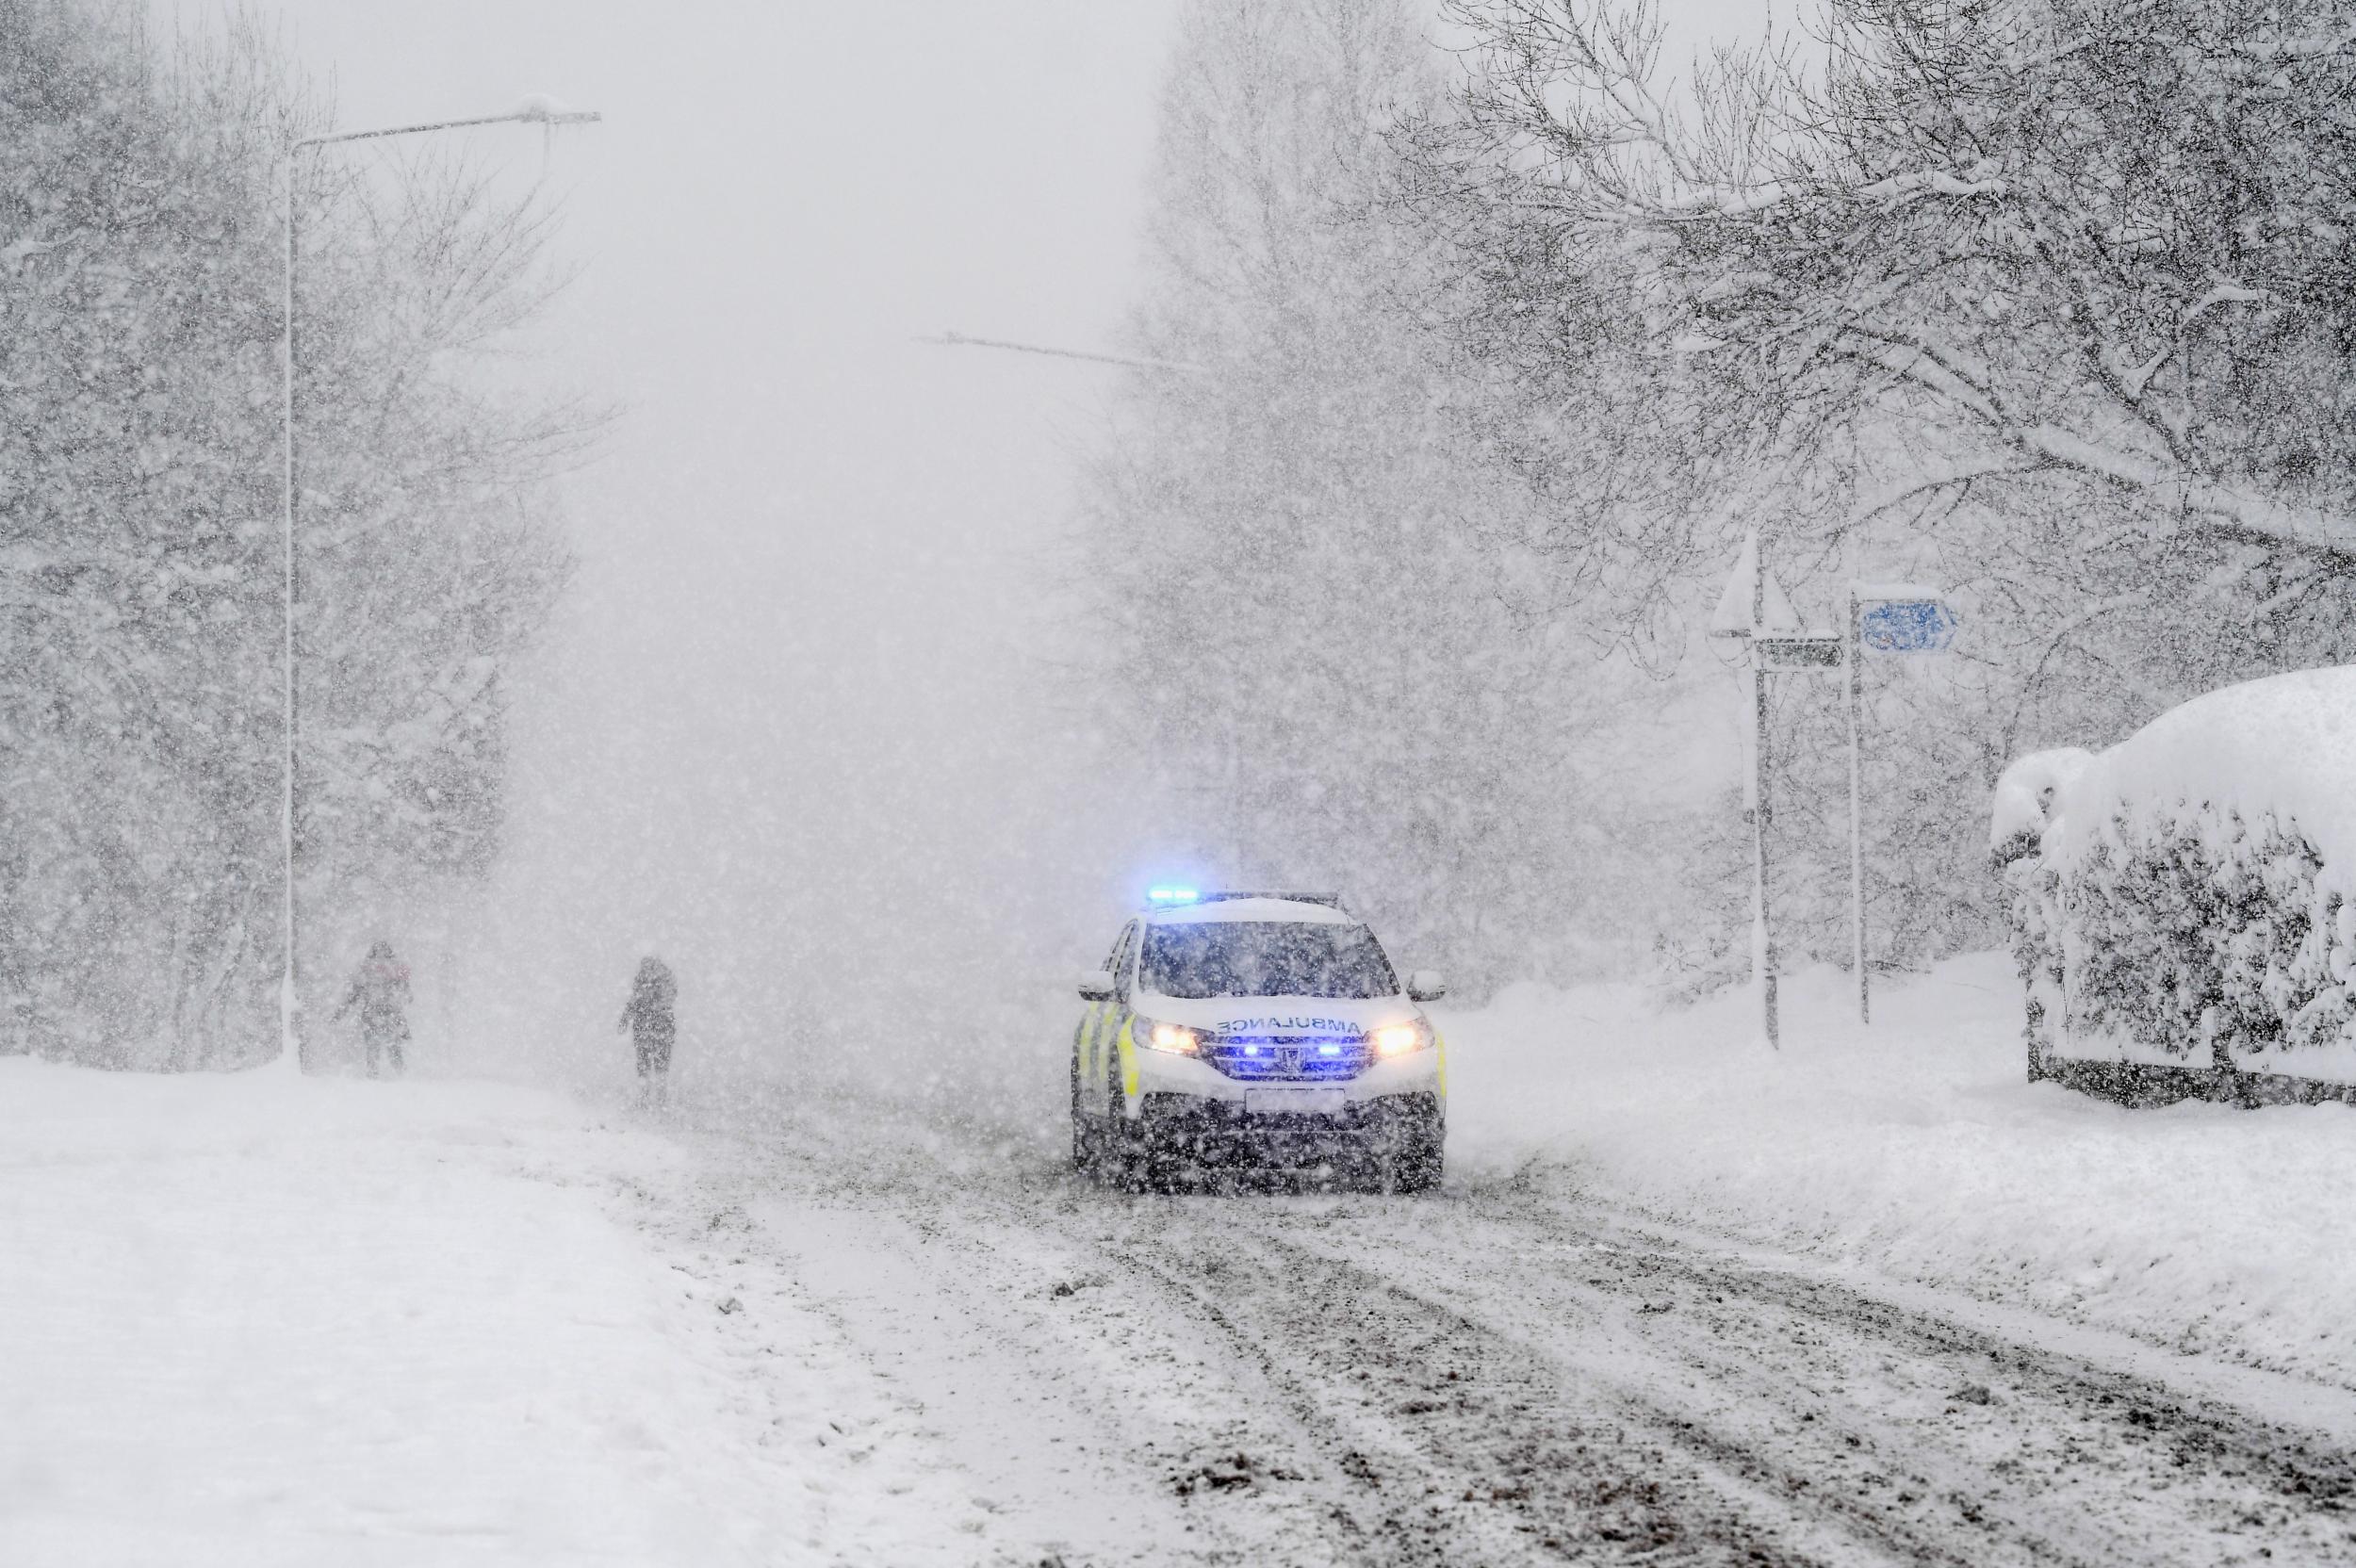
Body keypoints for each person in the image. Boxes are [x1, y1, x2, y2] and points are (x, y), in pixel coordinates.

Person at [337, 940, 412, 1078]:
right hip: (388, 1016)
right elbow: (407, 996)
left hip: (373, 1015)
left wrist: (341, 1012)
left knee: (375, 1049)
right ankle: (401, 1077)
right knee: (391, 1050)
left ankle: (377, 1077)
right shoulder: (396, 970)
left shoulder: (365, 970)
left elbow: (354, 995)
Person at [618, 956, 677, 1102]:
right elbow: (635, 1002)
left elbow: (634, 1002)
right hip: (657, 1029)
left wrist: (625, 1019)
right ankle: (656, 1097)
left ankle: (649, 1097)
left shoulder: (644, 984)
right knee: (657, 1065)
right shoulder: (661, 986)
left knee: (647, 1064)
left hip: (648, 1029)